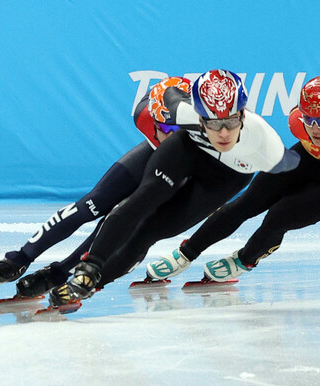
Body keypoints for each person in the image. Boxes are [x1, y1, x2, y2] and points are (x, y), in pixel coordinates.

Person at [51, 69, 300, 306]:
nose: (223, 133)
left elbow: (292, 165)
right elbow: (168, 91)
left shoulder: (268, 147)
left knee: (149, 232)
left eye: (231, 122)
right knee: (141, 202)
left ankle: (90, 286)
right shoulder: (183, 110)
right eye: (212, 123)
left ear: (243, 115)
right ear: (199, 116)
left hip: (226, 177)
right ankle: (87, 271)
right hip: (189, 150)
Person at [145, 74, 320, 282]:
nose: (315, 129)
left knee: (280, 216)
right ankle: (186, 253)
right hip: (307, 159)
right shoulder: (297, 122)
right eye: (310, 119)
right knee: (246, 203)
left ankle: (245, 259)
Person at [0, 76, 192, 298]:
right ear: (153, 122)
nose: (171, 137)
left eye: (179, 131)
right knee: (89, 205)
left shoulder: (202, 128)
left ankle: (60, 273)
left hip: (182, 166)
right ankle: (21, 258)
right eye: (165, 129)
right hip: (151, 153)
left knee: (119, 222)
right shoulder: (143, 115)